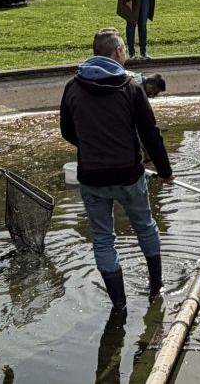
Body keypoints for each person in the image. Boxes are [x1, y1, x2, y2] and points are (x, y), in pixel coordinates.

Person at [60, 27, 174, 313]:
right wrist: (165, 171)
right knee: (145, 226)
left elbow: (67, 131)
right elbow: (150, 133)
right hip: (127, 173)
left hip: (92, 175)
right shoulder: (130, 87)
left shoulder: (73, 86)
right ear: (117, 53)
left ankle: (119, 304)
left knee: (103, 239)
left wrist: (90, 145)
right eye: (123, 50)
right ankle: (156, 286)